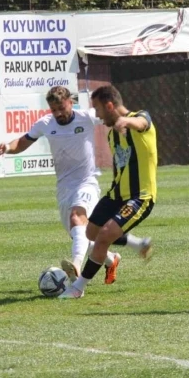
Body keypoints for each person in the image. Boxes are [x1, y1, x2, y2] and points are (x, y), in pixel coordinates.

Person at [0, 86, 123, 284]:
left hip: (86, 182)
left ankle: (76, 267)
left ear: (71, 102)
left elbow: (112, 115)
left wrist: (128, 121)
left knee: (77, 218)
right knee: (81, 236)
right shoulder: (45, 123)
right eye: (54, 110)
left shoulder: (86, 117)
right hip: (64, 188)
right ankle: (111, 259)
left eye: (62, 108)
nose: (58, 113)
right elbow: (22, 142)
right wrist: (7, 148)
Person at [59, 85, 156, 299]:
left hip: (139, 197)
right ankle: (137, 245)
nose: (97, 115)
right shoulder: (113, 135)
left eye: (98, 109)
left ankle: (78, 288)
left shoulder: (140, 118)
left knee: (103, 237)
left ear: (110, 106)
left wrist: (126, 121)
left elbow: (142, 123)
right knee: (90, 234)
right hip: (115, 195)